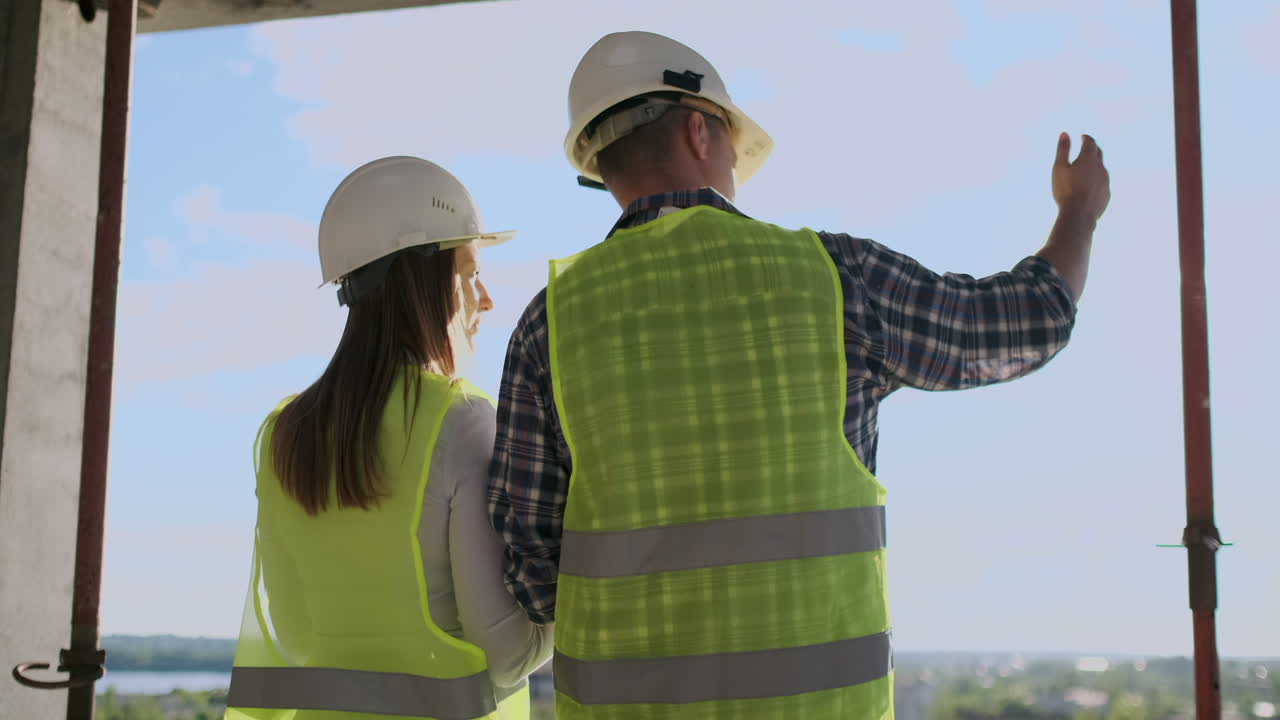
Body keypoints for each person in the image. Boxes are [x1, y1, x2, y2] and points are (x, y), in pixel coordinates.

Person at [488, 31, 1109, 719]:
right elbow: (1021, 324)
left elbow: (532, 569)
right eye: (731, 142)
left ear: (603, 167)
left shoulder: (552, 324)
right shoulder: (834, 280)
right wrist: (1078, 213)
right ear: (699, 131)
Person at [225, 156, 552, 720]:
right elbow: (505, 653)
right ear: (425, 280)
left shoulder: (285, 431)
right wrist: (562, 605)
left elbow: (297, 634)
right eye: (471, 272)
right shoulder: (463, 420)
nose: (487, 299)